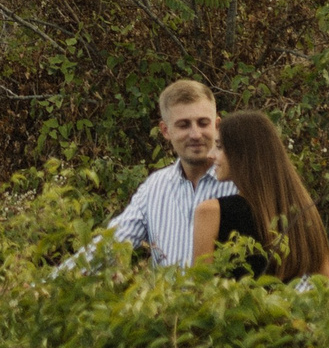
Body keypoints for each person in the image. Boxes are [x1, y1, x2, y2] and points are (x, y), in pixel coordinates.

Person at [95, 78, 238, 268]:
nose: (195, 134)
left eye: (203, 123)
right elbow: (111, 246)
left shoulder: (240, 182)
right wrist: (50, 282)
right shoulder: (155, 188)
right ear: (165, 130)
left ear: (217, 125)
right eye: (183, 125)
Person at [192, 109, 329, 282]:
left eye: (220, 147)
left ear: (243, 153)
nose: (210, 155)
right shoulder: (299, 211)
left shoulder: (211, 212)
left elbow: (199, 294)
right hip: (282, 308)